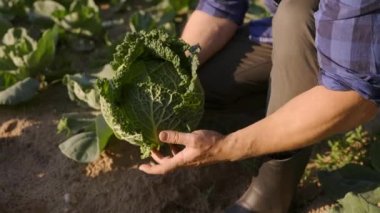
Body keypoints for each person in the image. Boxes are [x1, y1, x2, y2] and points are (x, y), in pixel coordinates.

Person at [139, 0, 380, 212]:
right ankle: (292, 116)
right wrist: (173, 72)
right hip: (316, 29)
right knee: (202, 83)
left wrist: (225, 146)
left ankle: (270, 195)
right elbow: (219, 9)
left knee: (294, 14)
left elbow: (354, 97)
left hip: (360, 44)